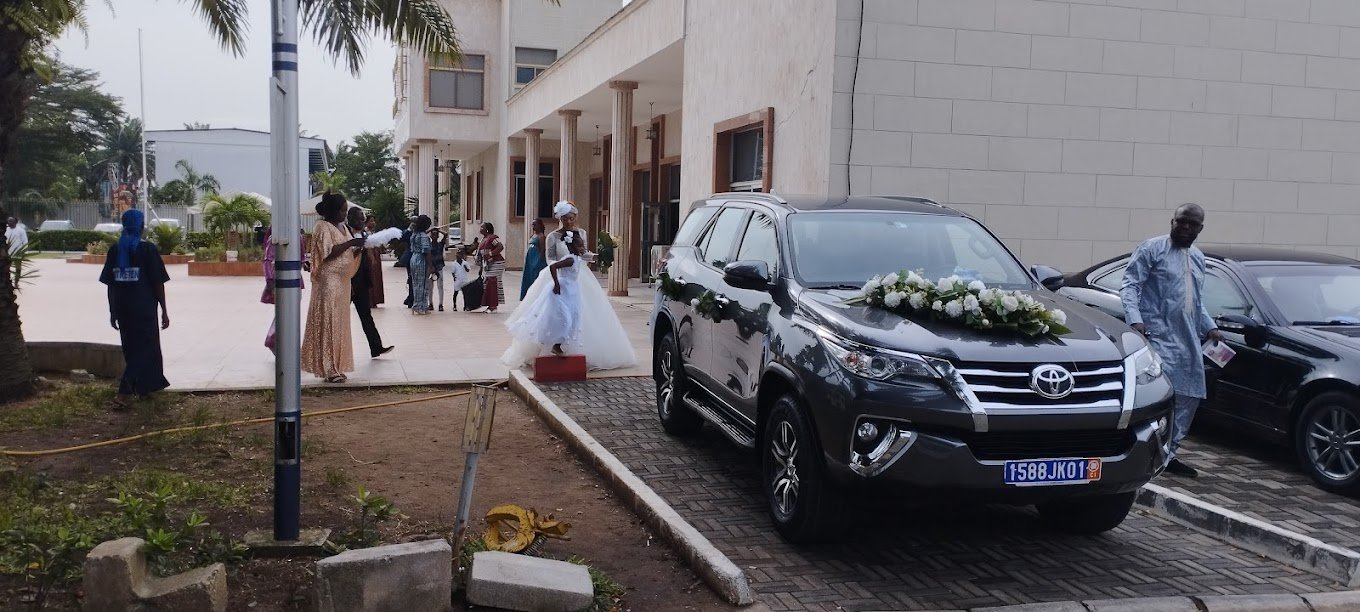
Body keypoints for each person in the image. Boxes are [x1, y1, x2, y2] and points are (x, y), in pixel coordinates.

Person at [1121, 203, 1223, 479]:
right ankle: (1147, 451)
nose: (1186, 227)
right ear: (1172, 221)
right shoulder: (1152, 249)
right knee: (1159, 393)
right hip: (1155, 334)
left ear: (1200, 229)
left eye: (1192, 224)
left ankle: (1169, 453)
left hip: (1187, 338)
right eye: (1181, 222)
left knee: (1189, 395)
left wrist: (1210, 328)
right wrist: (1135, 319)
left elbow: (1195, 302)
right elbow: (1131, 285)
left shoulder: (1198, 258)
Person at [502, 201, 636, 370]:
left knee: (580, 312)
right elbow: (550, 258)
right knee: (554, 312)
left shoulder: (581, 233)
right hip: (559, 273)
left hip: (577, 273)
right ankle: (551, 344)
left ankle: (578, 348)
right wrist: (561, 266)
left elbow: (583, 253)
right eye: (565, 219)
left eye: (571, 218)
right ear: (561, 219)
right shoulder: (553, 236)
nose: (569, 222)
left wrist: (599, 256)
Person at [99, 209, 170, 409]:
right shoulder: (147, 250)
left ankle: (145, 388)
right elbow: (158, 283)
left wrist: (113, 310)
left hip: (123, 309)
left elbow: (111, 284)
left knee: (132, 348)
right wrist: (164, 309)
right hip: (144, 309)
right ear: (140, 226)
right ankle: (123, 393)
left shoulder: (115, 249)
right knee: (144, 350)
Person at [301, 193, 366, 383]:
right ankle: (328, 368)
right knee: (328, 322)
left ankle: (337, 365)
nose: (345, 214)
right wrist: (352, 243)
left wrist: (357, 250)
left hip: (343, 283)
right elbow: (328, 252)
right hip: (328, 282)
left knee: (339, 324)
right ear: (333, 211)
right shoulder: (322, 227)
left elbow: (345, 253)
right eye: (343, 210)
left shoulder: (343, 227)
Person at [347, 207, 394, 358]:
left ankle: (376, 347)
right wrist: (358, 248)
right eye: (358, 219)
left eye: (363, 218)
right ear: (350, 219)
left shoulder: (365, 234)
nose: (361, 221)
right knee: (340, 317)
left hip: (361, 282)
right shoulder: (344, 234)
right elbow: (344, 257)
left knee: (366, 315)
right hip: (347, 281)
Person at [409, 215, 434, 315]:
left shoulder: (415, 234)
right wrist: (431, 265)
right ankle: (420, 306)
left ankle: (419, 305)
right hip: (421, 259)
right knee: (422, 283)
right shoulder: (423, 236)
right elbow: (427, 252)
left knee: (416, 283)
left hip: (414, 258)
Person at [477, 222, 506, 312]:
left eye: (482, 227)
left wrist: (490, 254)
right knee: (488, 283)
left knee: (492, 282)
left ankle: (493, 307)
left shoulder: (492, 238)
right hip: (488, 264)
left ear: (487, 229)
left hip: (496, 262)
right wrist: (481, 268)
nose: (480, 228)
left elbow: (500, 247)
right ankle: (490, 305)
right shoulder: (483, 239)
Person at [521, 218, 547, 300]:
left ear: (540, 225)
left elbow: (542, 250)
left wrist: (539, 261)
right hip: (530, 259)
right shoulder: (533, 235)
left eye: (535, 225)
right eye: (532, 225)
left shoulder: (541, 237)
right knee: (528, 276)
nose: (533, 226)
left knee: (535, 276)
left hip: (537, 259)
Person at [364, 214, 385, 307]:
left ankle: (375, 299)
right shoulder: (365, 233)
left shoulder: (373, 233)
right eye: (371, 221)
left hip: (376, 256)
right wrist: (372, 257)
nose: (373, 223)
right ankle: (370, 300)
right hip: (370, 258)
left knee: (376, 278)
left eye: (374, 221)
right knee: (371, 277)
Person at [449, 247, 473, 312]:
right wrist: (454, 278)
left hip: (464, 280)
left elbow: (468, 270)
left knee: (465, 294)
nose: (458, 255)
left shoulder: (465, 263)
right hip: (457, 280)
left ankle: (466, 306)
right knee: (455, 293)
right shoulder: (454, 264)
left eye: (460, 254)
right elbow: (453, 272)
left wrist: (465, 268)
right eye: (457, 254)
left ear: (462, 256)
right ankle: (454, 306)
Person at [429, 226, 447, 311]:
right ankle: (430, 303)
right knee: (430, 287)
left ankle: (440, 304)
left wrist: (438, 230)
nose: (434, 236)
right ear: (431, 236)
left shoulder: (440, 244)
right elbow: (424, 234)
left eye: (436, 235)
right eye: (433, 234)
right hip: (431, 267)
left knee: (440, 286)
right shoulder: (428, 244)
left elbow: (446, 234)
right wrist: (431, 229)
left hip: (439, 266)